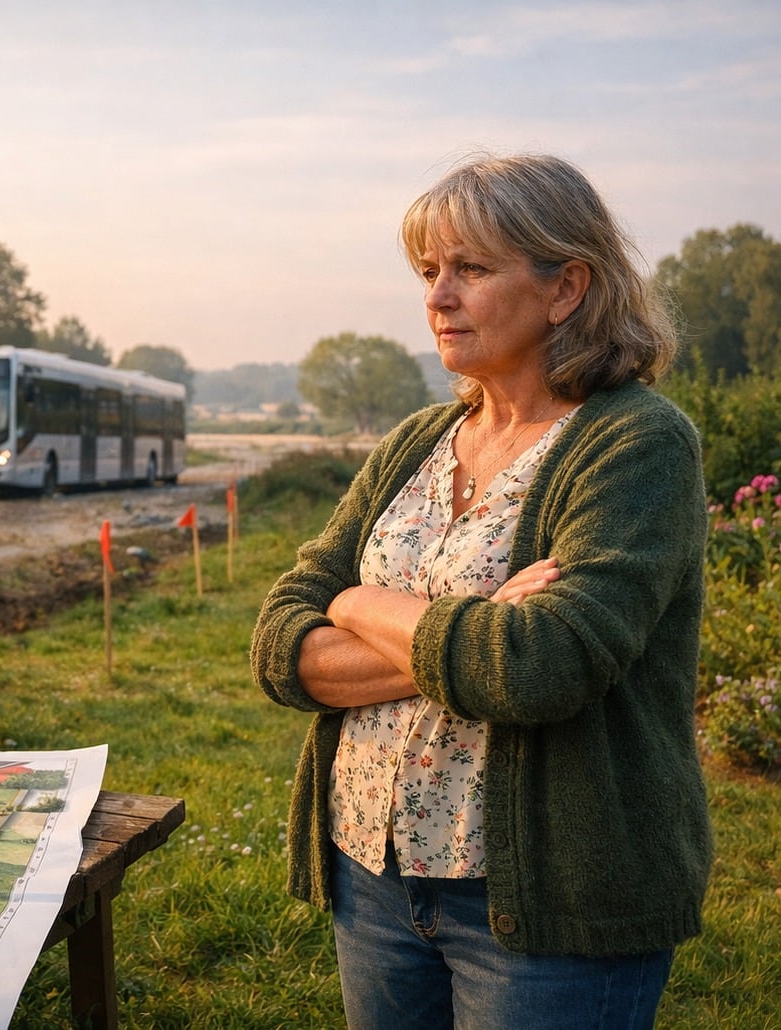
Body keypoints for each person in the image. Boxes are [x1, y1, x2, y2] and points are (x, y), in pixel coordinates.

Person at [250, 154, 712, 1029]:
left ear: (565, 288)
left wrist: (358, 606)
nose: (437, 296)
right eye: (429, 272)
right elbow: (278, 643)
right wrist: (473, 631)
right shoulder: (418, 439)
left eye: (471, 268)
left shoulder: (635, 445)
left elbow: (540, 670)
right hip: (372, 876)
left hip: (548, 904)